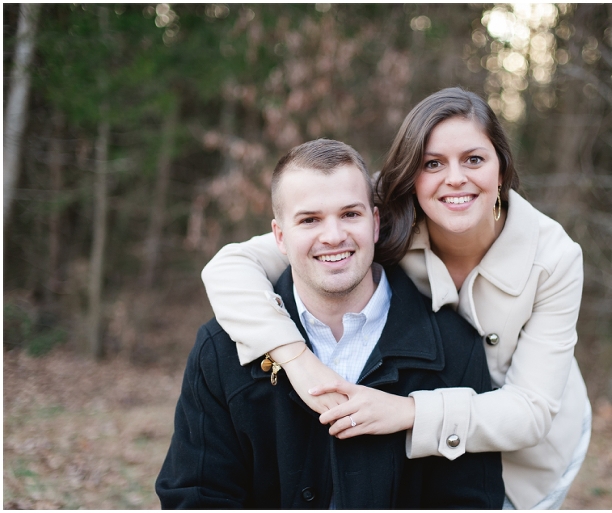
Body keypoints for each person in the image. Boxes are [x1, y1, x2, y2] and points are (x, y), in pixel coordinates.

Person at [201, 88, 591, 509]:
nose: (456, 178)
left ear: (501, 169)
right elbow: (231, 268)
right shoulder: (375, 217)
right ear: (411, 175)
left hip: (527, 452)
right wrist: (296, 360)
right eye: (433, 163)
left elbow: (531, 412)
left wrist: (408, 413)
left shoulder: (554, 258)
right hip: (424, 457)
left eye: (474, 159)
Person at [156, 138, 504, 509]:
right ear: (280, 237)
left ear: (374, 223)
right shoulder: (221, 348)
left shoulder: (455, 346)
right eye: (310, 220)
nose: (333, 236)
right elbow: (195, 497)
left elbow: (472, 502)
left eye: (350, 214)